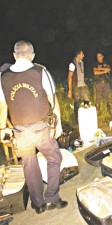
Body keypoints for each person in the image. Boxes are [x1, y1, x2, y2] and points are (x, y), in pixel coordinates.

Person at [0, 40, 68, 214]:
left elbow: (2, 105)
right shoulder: (40, 71)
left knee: (29, 166)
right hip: (41, 129)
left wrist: (2, 129)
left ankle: (38, 204)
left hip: (20, 131)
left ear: (15, 55)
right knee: (54, 159)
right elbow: (53, 99)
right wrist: (58, 123)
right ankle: (52, 197)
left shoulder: (3, 76)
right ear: (32, 55)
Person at [67, 50, 90, 124]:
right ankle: (78, 121)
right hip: (76, 86)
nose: (84, 55)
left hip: (83, 85)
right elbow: (70, 77)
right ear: (78, 55)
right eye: (82, 54)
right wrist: (70, 91)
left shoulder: (82, 63)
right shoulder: (72, 64)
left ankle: (86, 118)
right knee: (77, 103)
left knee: (87, 100)